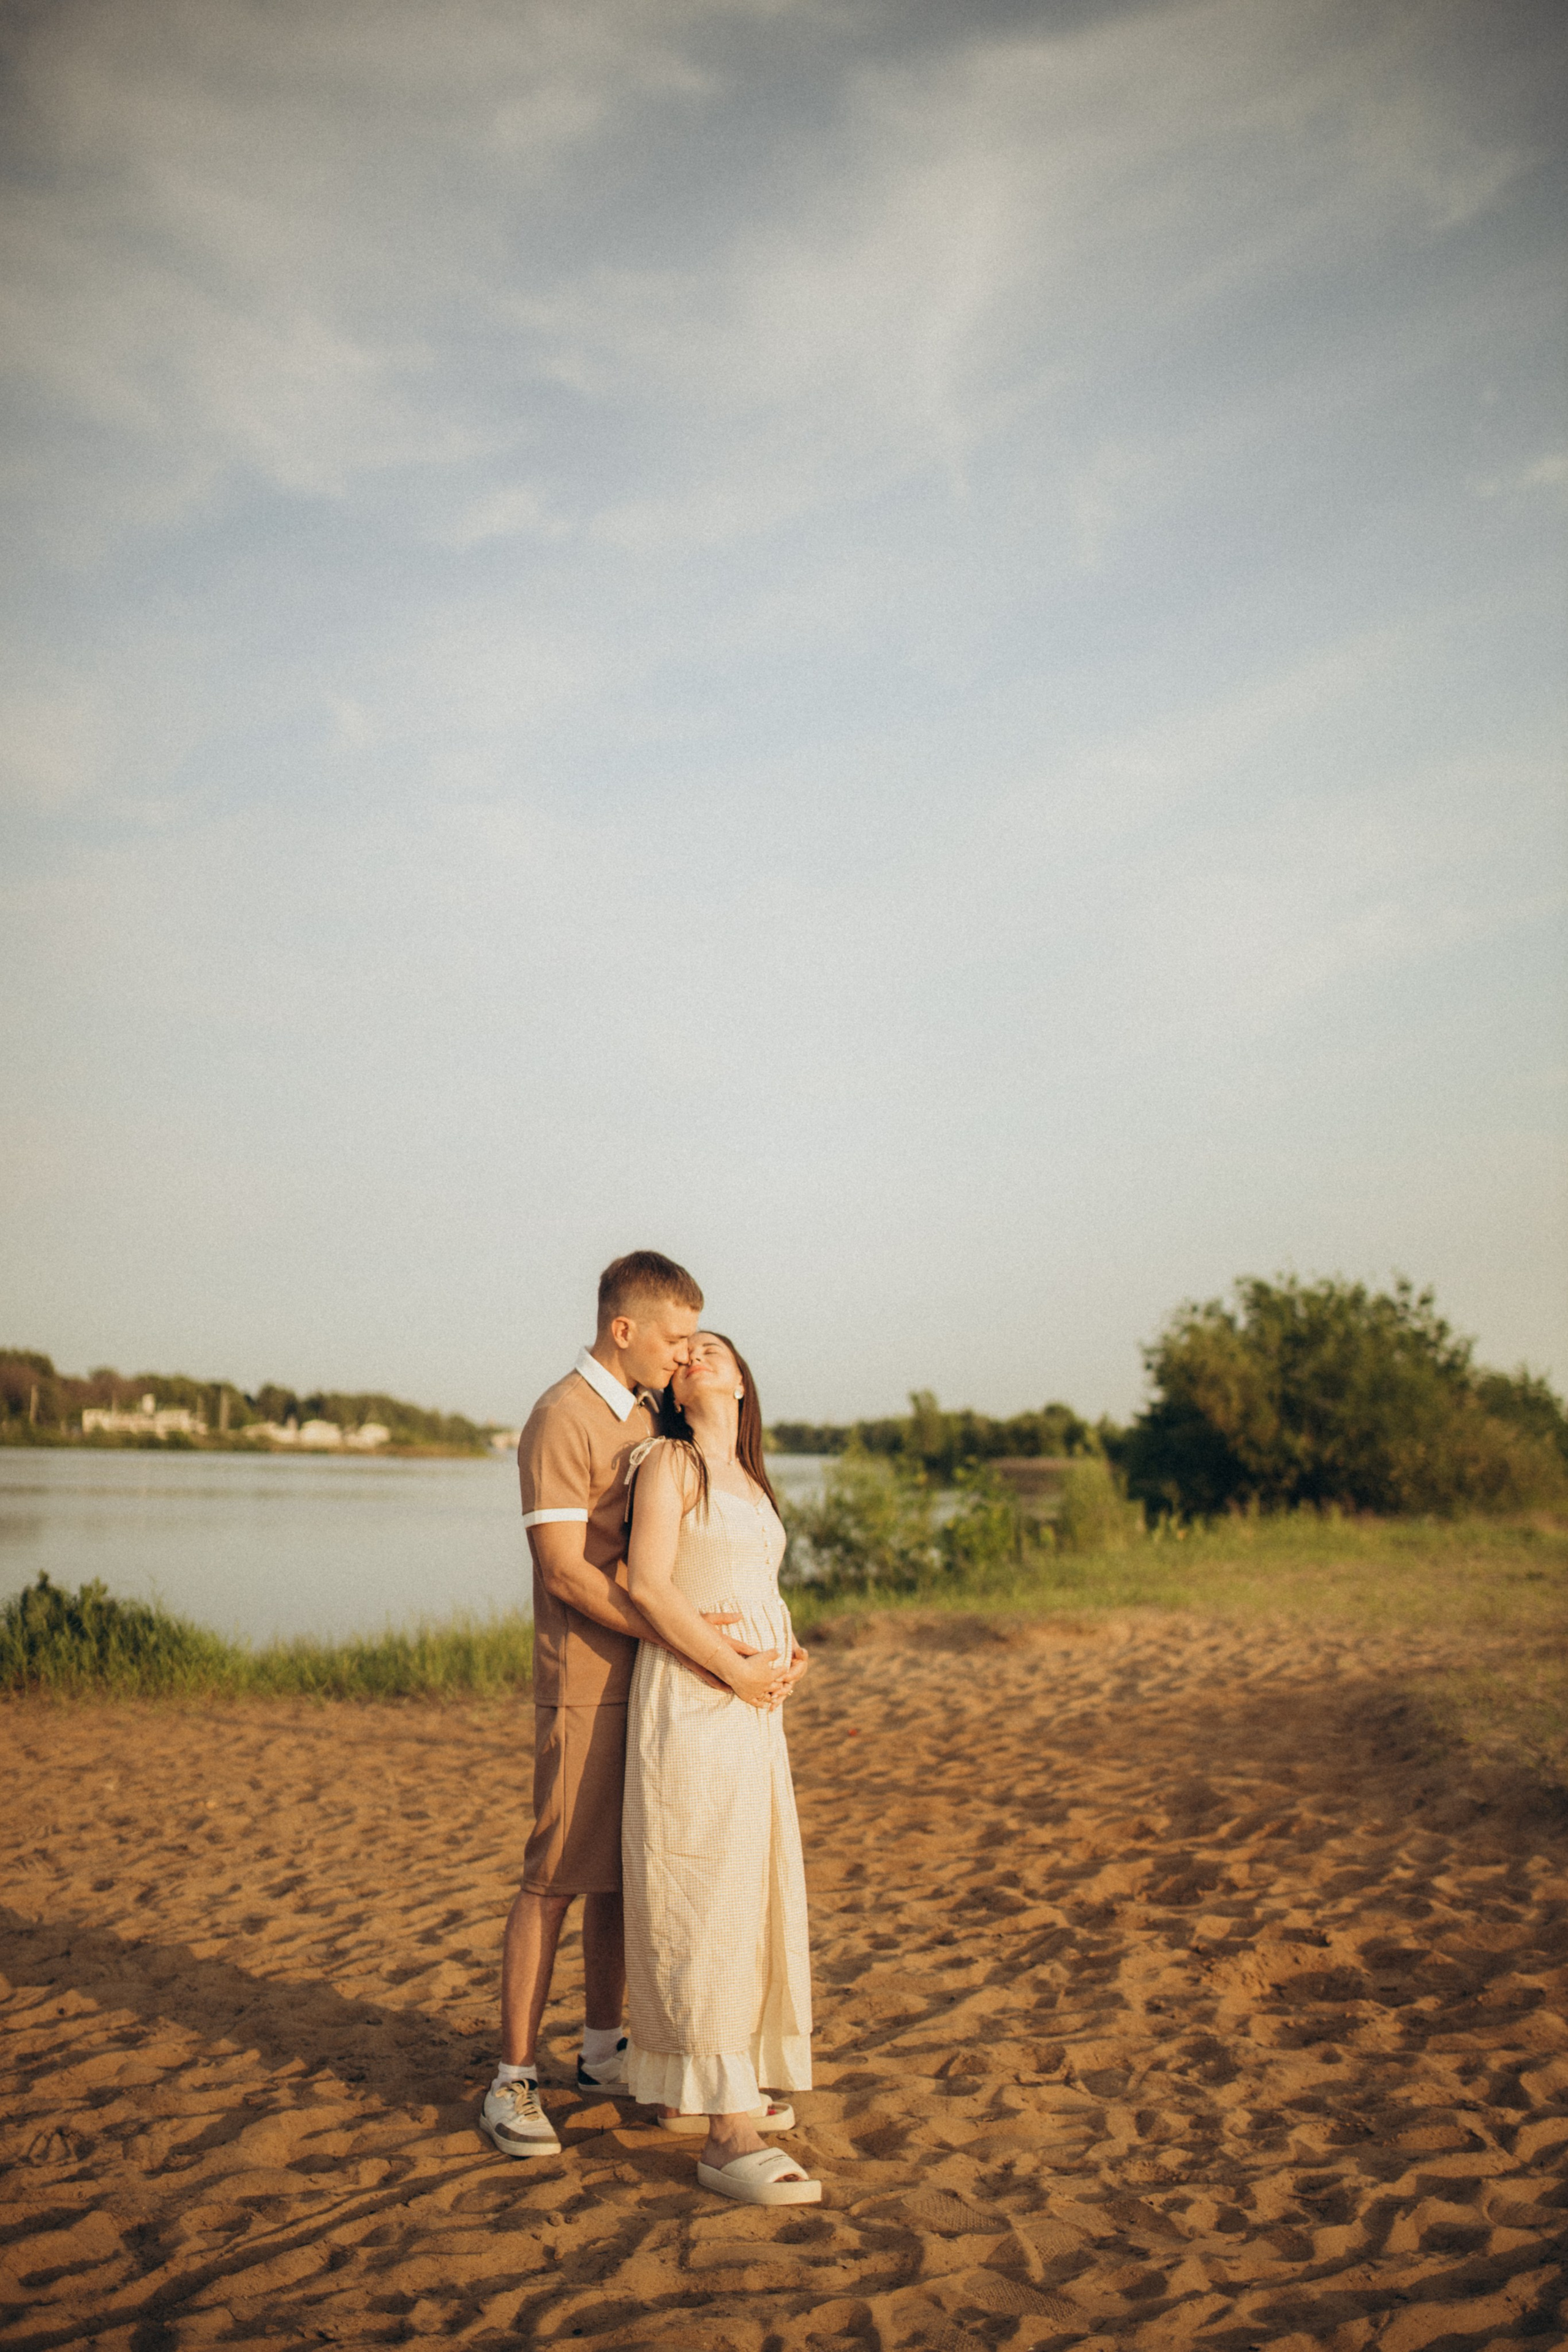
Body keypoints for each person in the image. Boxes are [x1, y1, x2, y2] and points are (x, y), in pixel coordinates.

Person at [483, 1251, 769, 2161]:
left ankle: (603, 2053)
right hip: (584, 1681)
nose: (686, 1353)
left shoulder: (650, 1418)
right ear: (625, 1330)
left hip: (653, 1685)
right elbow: (565, 1571)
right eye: (677, 1335)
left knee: (622, 1875)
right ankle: (513, 2079)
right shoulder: (560, 1420)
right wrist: (673, 1632)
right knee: (557, 1874)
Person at [620, 1331, 820, 2206]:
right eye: (686, 1349)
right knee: (698, 1899)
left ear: (740, 1377)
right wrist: (736, 1668)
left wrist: (786, 1648)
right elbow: (647, 1584)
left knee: (745, 1897)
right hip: (696, 1704)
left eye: (714, 1348)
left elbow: (748, 1579)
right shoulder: (670, 1464)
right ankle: (726, 2132)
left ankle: (698, 2083)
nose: (696, 1355)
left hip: (752, 1716)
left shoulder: (749, 1479)